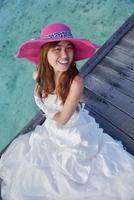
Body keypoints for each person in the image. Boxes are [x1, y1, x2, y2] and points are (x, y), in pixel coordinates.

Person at [0, 23, 134, 200]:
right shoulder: (40, 73)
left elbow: (63, 119)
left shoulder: (75, 82)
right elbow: (39, 82)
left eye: (68, 48)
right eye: (57, 49)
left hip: (73, 130)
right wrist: (43, 101)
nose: (65, 55)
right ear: (44, 53)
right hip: (53, 126)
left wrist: (41, 104)